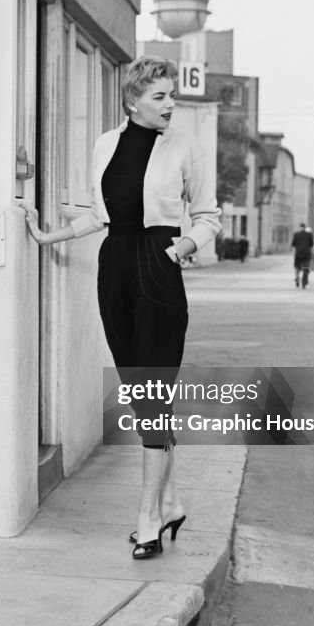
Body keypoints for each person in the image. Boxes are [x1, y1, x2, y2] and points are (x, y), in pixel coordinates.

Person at [24, 56, 221, 560]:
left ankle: (148, 515)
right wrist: (47, 236)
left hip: (158, 269)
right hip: (114, 269)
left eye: (172, 95)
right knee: (140, 394)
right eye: (160, 96)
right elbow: (100, 214)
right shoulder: (106, 144)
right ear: (132, 100)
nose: (170, 104)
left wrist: (179, 250)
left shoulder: (186, 147)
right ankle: (171, 501)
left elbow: (208, 217)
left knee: (153, 393)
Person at [290, 222, 314, 288]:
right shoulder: (309, 235)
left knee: (297, 267)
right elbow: (311, 244)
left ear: (300, 227)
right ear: (305, 228)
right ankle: (304, 281)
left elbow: (293, 244)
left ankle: (297, 277)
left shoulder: (296, 234)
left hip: (298, 254)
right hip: (306, 254)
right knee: (306, 268)